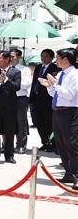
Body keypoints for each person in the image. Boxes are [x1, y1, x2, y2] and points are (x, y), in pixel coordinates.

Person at [40, 48, 78, 189]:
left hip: (70, 112)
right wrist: (50, 86)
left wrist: (55, 84)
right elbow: (56, 95)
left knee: (72, 144)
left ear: (66, 60)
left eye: (58, 57)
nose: (56, 60)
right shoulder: (62, 74)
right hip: (57, 111)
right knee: (61, 143)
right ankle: (68, 173)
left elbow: (70, 95)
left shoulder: (75, 75)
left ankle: (76, 175)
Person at [0, 50, 21, 165]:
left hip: (10, 107)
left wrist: (6, 80)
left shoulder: (16, 72)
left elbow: (17, 87)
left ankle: (9, 155)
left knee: (9, 132)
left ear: (7, 59)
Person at [28, 49, 59, 152]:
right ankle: (44, 142)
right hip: (37, 99)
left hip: (48, 99)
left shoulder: (55, 68)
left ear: (51, 57)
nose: (43, 58)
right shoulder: (38, 67)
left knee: (49, 122)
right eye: (42, 56)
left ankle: (52, 143)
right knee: (39, 122)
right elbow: (34, 84)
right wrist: (31, 99)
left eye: (46, 56)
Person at [10, 48, 32, 154]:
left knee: (21, 122)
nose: (11, 58)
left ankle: (21, 145)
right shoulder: (7, 69)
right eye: (9, 56)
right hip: (8, 98)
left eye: (13, 56)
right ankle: (8, 144)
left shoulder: (24, 69)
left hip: (20, 98)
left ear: (18, 57)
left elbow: (27, 84)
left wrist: (15, 84)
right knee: (9, 121)